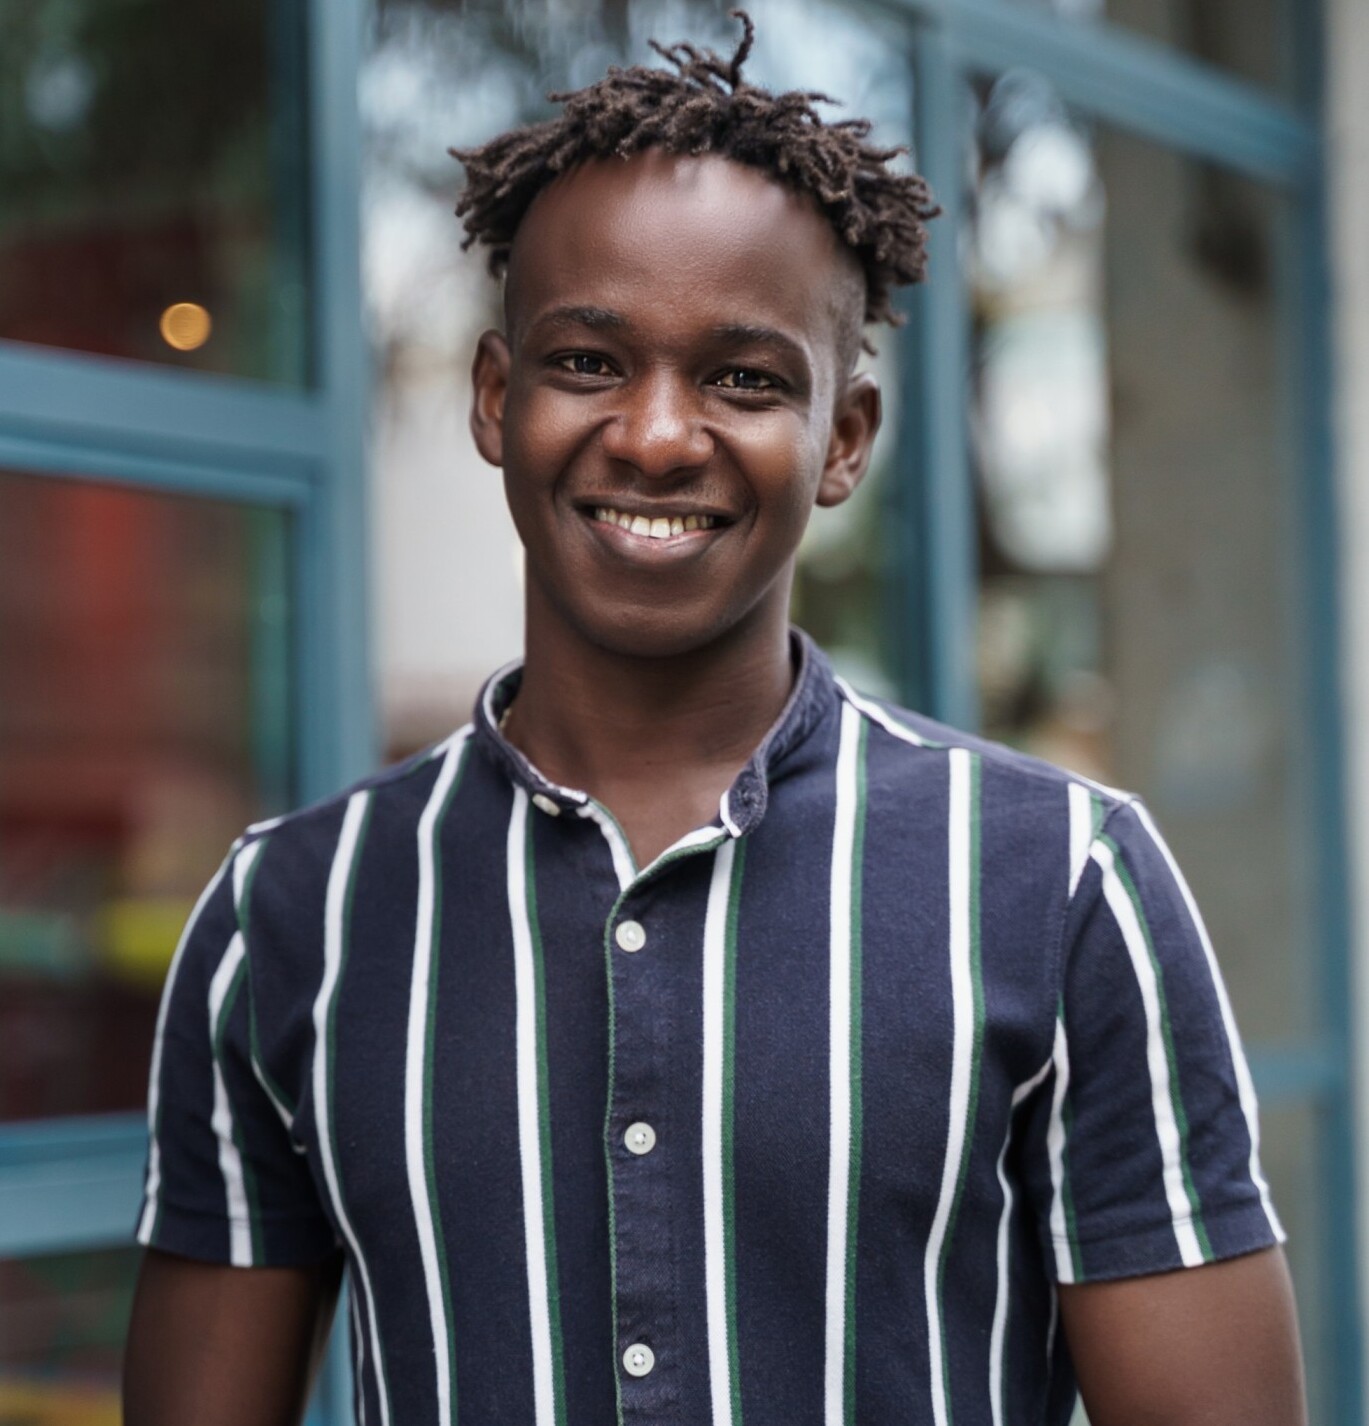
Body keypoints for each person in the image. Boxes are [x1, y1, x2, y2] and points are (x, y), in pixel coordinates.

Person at [122, 14, 1306, 1425]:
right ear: (497, 400)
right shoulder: (290, 913)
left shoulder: (1056, 881)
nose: (659, 434)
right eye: (587, 361)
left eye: (743, 377)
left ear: (845, 439)